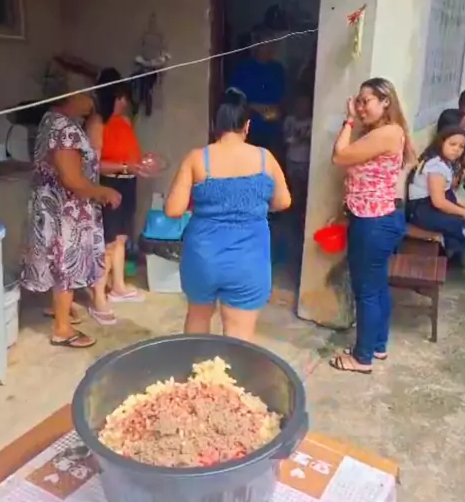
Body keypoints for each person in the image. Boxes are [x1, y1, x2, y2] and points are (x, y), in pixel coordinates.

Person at [165, 88, 291, 342]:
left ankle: (196, 366)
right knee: (238, 336)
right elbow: (283, 201)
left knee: (198, 318)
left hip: (203, 256)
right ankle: (230, 369)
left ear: (215, 125)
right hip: (249, 260)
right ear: (247, 126)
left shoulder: (197, 158)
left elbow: (173, 210)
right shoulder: (265, 158)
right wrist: (253, 207)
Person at [21, 91, 121, 348]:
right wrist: (103, 192)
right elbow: (72, 180)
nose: (90, 104)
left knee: (55, 261)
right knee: (66, 264)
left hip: (49, 205)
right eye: (87, 96)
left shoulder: (49, 120)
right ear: (70, 97)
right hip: (65, 211)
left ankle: (59, 310)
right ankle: (62, 329)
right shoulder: (64, 128)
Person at [329, 78, 412, 374]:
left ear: (385, 101)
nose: (361, 107)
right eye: (358, 102)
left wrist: (349, 120)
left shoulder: (387, 132)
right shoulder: (386, 132)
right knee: (376, 287)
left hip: (374, 221)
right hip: (378, 218)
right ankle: (377, 345)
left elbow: (339, 156)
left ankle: (362, 358)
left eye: (366, 101)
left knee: (366, 291)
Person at [86, 76, 151, 320]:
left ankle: (118, 287)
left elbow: (130, 155)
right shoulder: (97, 123)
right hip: (109, 184)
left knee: (121, 238)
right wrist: (125, 167)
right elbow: (94, 165)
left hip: (127, 183)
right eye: (122, 98)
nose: (125, 103)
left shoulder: (123, 122)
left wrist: (141, 164)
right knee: (108, 243)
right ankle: (98, 297)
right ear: (115, 97)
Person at [407, 125, 465, 256]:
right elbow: (439, 202)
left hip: (432, 205)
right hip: (423, 210)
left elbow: (448, 193)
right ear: (441, 142)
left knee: (459, 220)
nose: (457, 149)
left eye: (461, 147)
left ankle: (456, 251)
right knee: (461, 223)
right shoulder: (436, 166)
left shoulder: (446, 162)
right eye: (452, 144)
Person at [228, 30, 286, 161]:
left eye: (272, 44)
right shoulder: (243, 69)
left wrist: (277, 111)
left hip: (272, 129)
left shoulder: (277, 69)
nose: (270, 48)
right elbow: (232, 98)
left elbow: (283, 98)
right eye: (266, 44)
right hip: (248, 128)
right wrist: (253, 107)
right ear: (256, 46)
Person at [283, 93, 312, 218]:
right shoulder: (290, 121)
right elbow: (287, 139)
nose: (302, 107)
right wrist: (301, 137)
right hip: (292, 159)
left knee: (306, 191)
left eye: (305, 104)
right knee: (294, 189)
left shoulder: (313, 121)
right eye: (300, 104)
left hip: (306, 161)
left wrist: (299, 138)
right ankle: (294, 216)